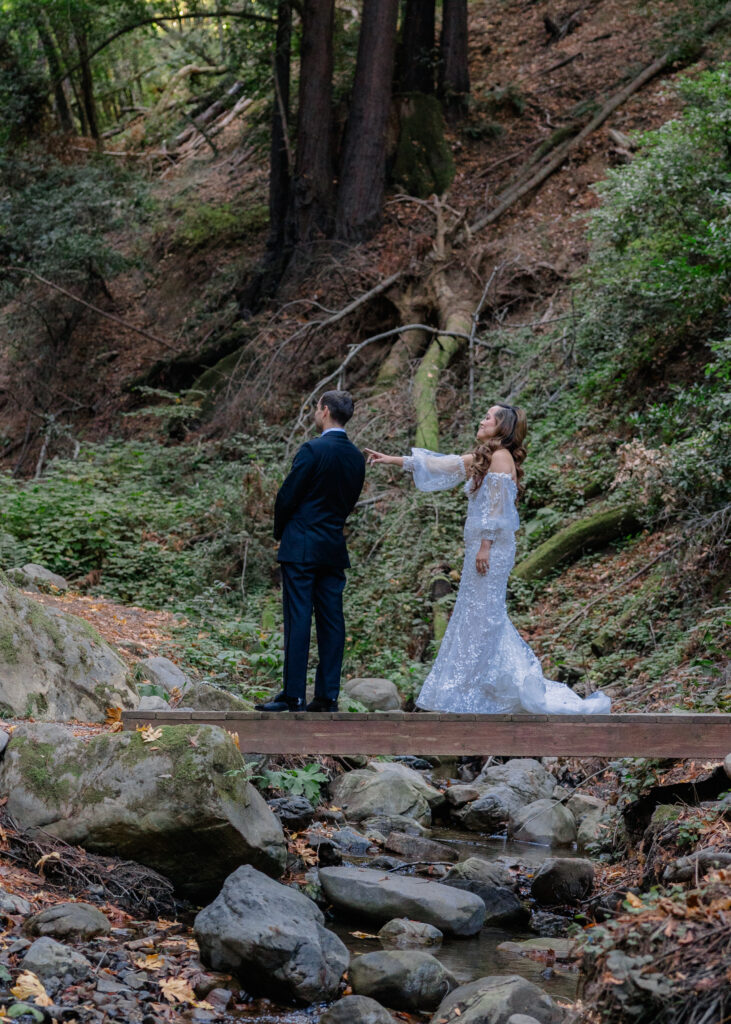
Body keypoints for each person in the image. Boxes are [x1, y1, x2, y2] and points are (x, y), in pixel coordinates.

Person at [365, 403, 611, 714]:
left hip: (490, 550)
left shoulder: (500, 457)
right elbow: (445, 465)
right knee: (480, 615)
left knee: (483, 616)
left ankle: (480, 688)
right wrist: (392, 460)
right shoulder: (487, 458)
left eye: (488, 417)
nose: (482, 421)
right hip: (482, 549)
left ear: (502, 427)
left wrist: (485, 546)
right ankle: (480, 685)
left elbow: (497, 509)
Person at [256, 390, 366, 713]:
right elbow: (348, 503)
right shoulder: (356, 458)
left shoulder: (312, 450)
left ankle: (294, 696)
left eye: (316, 408)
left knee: (299, 617)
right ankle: (327, 696)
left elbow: (287, 496)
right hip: (333, 546)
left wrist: (281, 532)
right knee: (332, 620)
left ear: (325, 410)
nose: (315, 412)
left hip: (301, 545)